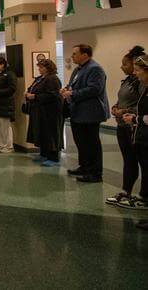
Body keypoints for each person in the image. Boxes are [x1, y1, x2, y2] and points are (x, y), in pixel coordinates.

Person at [61, 44, 110, 183]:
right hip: (77, 112)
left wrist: (72, 93)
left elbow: (94, 89)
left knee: (91, 143)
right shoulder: (78, 69)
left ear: (85, 55)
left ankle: (95, 173)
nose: (72, 56)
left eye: (75, 53)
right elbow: (73, 85)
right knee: (81, 142)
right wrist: (65, 90)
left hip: (90, 113)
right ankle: (84, 167)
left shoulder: (95, 69)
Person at [107, 46, 144, 207]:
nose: (122, 67)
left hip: (135, 127)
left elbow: (142, 106)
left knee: (141, 162)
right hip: (123, 125)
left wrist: (126, 111)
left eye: (125, 64)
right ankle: (126, 191)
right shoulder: (128, 80)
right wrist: (116, 108)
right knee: (128, 160)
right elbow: (123, 99)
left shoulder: (142, 84)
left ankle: (143, 197)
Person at [121, 54, 148, 227]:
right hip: (143, 136)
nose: (136, 74)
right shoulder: (145, 88)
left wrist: (136, 120)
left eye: (138, 70)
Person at [25, 59, 64, 166]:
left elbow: (53, 95)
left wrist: (35, 96)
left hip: (50, 112)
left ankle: (53, 157)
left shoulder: (52, 79)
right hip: (39, 110)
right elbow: (32, 88)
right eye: (39, 67)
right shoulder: (40, 79)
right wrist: (28, 93)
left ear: (48, 68)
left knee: (50, 134)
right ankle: (43, 153)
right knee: (42, 133)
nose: (39, 69)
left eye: (42, 67)